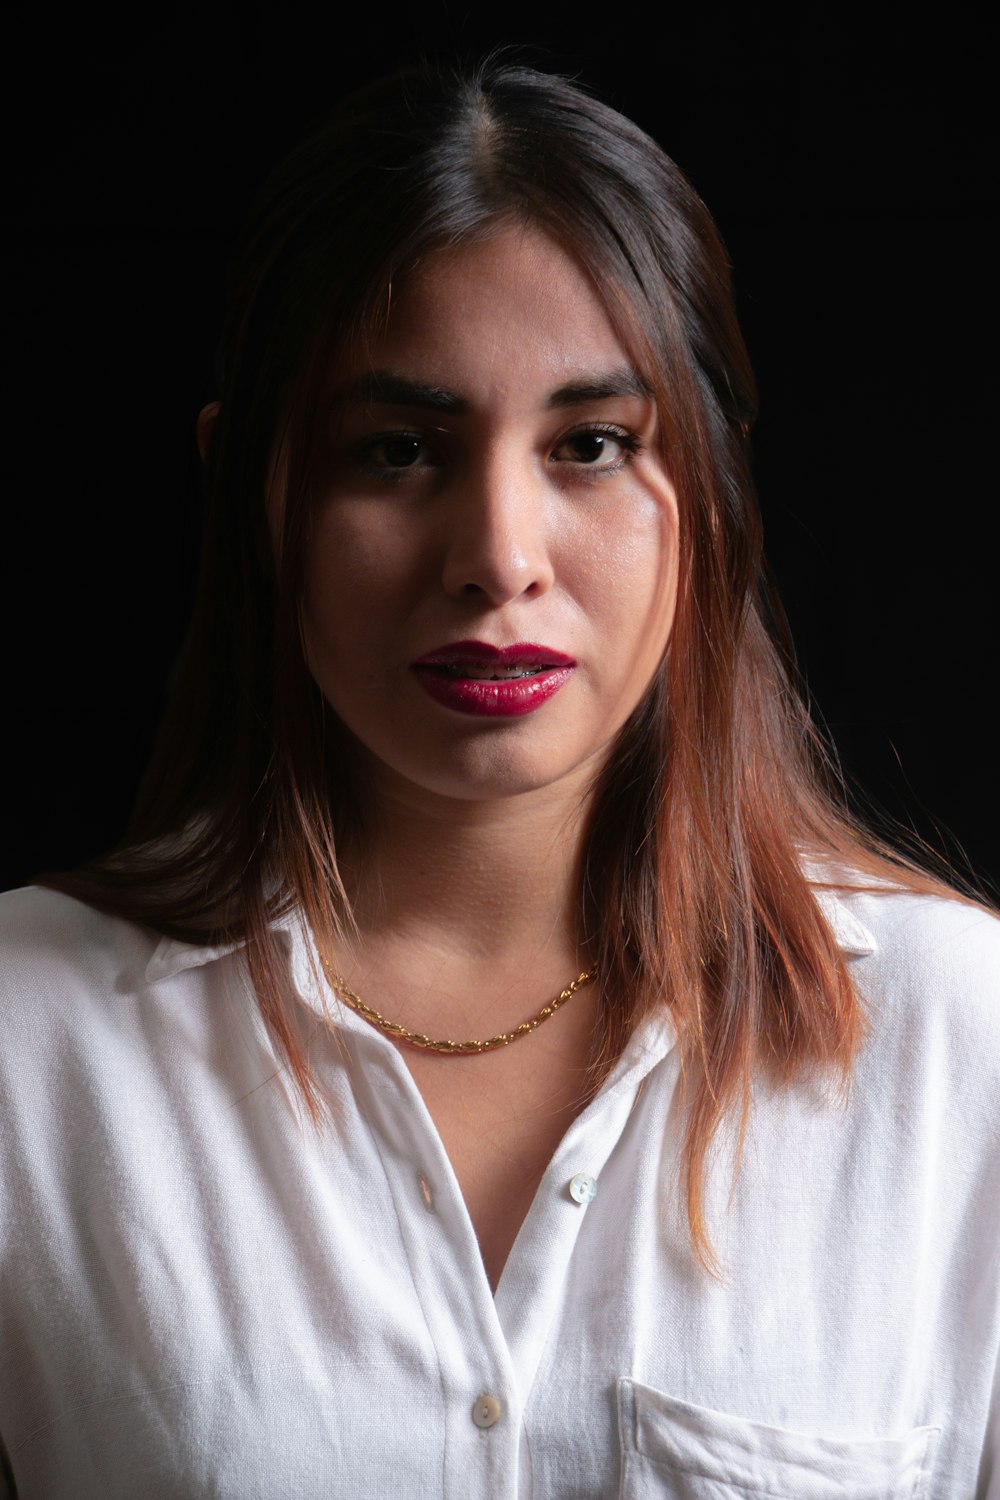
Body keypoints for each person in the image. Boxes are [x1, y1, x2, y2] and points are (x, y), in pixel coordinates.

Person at [1, 58, 998, 1499]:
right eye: (396, 451)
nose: (498, 554)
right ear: (252, 495)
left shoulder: (949, 1045)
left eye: (591, 445)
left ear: (711, 493)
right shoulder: (34, 1045)